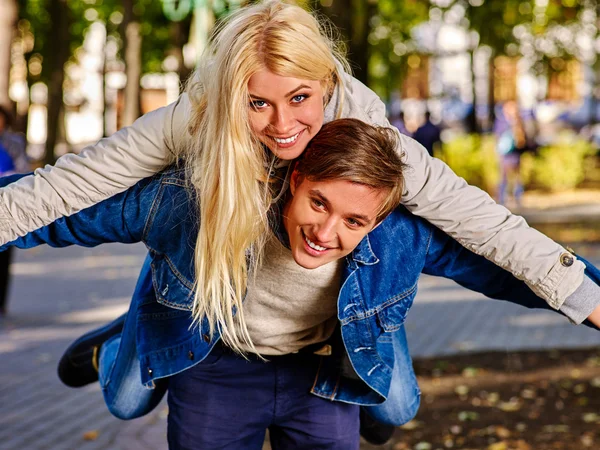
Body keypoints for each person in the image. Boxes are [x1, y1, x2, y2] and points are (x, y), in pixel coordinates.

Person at [2, 119, 600, 450]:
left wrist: (593, 299)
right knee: (127, 399)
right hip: (216, 356)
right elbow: (66, 214)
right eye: (319, 202)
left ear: (379, 220)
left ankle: (374, 340)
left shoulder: (402, 237)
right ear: (296, 180)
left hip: (320, 372)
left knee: (398, 406)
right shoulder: (195, 203)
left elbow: (506, 268)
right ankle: (126, 333)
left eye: (355, 222)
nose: (325, 232)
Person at [0, 0, 590, 323]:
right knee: (132, 380)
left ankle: (377, 352)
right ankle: (141, 322)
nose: (283, 127)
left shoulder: (370, 135)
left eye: (300, 99)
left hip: (320, 305)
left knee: (419, 265)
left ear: (327, 82)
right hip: (217, 262)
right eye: (258, 104)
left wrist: (585, 300)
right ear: (235, 96)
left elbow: (484, 225)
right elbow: (65, 189)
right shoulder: (198, 116)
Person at [0, 106, 29, 316]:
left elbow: (23, 169)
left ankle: (1, 303)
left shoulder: (14, 142)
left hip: (8, 201)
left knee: (4, 258)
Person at [497, 100, 526, 207]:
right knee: (503, 176)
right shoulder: (502, 121)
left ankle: (518, 198)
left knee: (517, 176)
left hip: (515, 153)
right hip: (504, 153)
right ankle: (502, 199)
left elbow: (522, 137)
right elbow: (498, 135)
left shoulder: (518, 121)